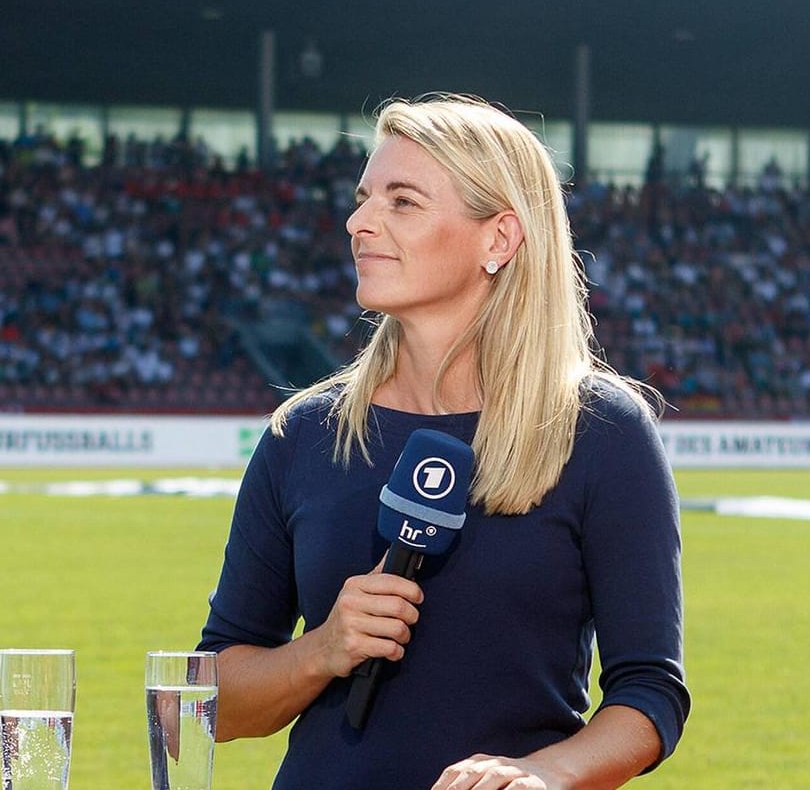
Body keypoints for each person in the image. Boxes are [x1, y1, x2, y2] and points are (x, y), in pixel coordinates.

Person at [197, 95, 688, 789]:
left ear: (499, 238)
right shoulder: (303, 433)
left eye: (402, 201)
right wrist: (320, 649)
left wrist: (539, 775)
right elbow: (209, 703)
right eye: (364, 197)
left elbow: (649, 693)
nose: (358, 222)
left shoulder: (600, 431)